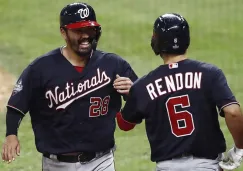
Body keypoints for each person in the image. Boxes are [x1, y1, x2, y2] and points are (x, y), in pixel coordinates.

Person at [1, 2, 138, 171]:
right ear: (63, 32)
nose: (85, 36)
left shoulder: (114, 65)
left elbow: (140, 102)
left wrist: (132, 91)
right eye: (78, 31)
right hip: (56, 164)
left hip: (101, 161)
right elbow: (17, 105)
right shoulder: (41, 68)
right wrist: (11, 134)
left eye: (89, 29)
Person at [116, 13, 243, 171]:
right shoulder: (210, 73)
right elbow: (233, 112)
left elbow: (124, 124)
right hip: (206, 167)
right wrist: (240, 148)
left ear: (157, 42)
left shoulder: (144, 86)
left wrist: (133, 94)